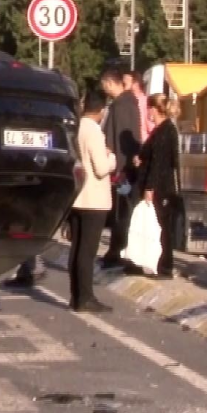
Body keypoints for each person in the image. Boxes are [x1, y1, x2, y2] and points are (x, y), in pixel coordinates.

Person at [67, 91, 118, 312]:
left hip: (77, 196)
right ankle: (86, 297)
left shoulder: (76, 128)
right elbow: (100, 168)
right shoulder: (95, 131)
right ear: (102, 110)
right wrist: (111, 158)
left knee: (76, 248)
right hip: (94, 199)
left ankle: (76, 295)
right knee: (88, 251)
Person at [131, 94, 180, 279]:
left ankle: (165, 266)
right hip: (158, 185)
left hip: (161, 187)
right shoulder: (161, 130)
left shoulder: (165, 131)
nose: (147, 114)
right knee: (157, 225)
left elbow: (159, 163)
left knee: (162, 227)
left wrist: (150, 187)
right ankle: (155, 263)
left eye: (148, 109)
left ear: (154, 109)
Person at [99, 67, 144, 269]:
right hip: (127, 166)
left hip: (122, 168)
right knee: (123, 211)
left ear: (109, 83)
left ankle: (118, 250)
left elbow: (113, 140)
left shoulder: (120, 105)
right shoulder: (129, 104)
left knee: (121, 212)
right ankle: (119, 250)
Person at [122, 68, 152, 141]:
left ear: (136, 83)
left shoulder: (145, 101)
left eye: (125, 83)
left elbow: (150, 125)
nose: (123, 86)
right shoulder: (124, 101)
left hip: (142, 142)